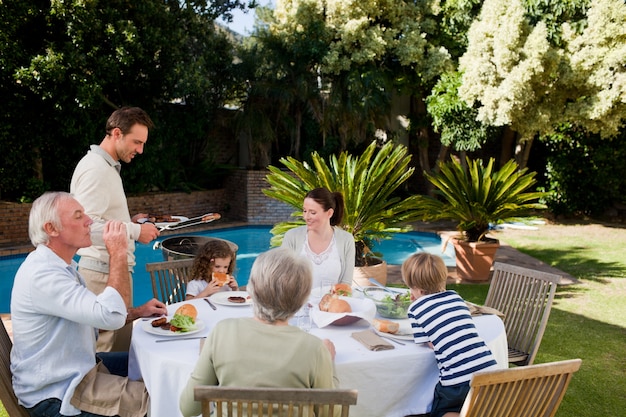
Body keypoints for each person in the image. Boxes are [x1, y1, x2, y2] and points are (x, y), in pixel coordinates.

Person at [10, 191, 167, 417]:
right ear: (51, 229)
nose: (89, 221)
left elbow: (95, 319)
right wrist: (118, 252)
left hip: (76, 370)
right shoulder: (44, 276)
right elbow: (110, 317)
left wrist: (138, 312)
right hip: (57, 394)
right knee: (158, 401)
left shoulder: (60, 267)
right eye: (78, 216)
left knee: (152, 364)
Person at [179, 247, 339, 417]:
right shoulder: (314, 349)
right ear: (303, 299)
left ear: (251, 289)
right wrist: (329, 364)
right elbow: (331, 414)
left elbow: (189, 408)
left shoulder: (221, 332)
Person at [70, 106, 160, 352]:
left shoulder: (105, 167)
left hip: (110, 272)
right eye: (137, 142)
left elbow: (101, 218)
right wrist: (135, 231)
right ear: (117, 133)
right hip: (102, 275)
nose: (140, 150)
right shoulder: (96, 170)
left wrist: (131, 220)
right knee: (108, 358)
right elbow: (85, 229)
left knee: (119, 350)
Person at [402, 253, 498, 417]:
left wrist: (415, 304)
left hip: (456, 380)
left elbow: (428, 342)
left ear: (419, 290)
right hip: (489, 370)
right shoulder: (456, 297)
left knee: (442, 411)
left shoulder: (415, 309)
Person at [281, 187, 355, 290]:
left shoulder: (346, 240)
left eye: (312, 212)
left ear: (329, 213)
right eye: (304, 211)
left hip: (332, 303)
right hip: (297, 304)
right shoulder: (292, 237)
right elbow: (282, 277)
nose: (306, 217)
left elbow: (345, 285)